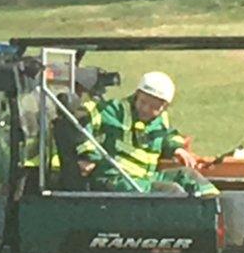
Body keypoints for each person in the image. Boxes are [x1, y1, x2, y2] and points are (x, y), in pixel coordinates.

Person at [74, 72, 218, 197]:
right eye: (143, 102)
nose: (146, 109)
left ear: (164, 107)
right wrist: (88, 156)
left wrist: (177, 148)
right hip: (116, 179)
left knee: (188, 176)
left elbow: (167, 136)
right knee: (171, 192)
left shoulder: (161, 121)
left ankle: (220, 212)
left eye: (154, 107)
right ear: (136, 94)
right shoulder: (113, 110)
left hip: (146, 178)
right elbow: (79, 120)